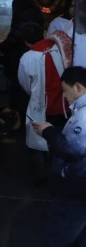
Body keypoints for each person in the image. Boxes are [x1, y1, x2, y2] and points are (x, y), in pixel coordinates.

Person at [32, 66, 86, 247]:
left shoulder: (84, 115)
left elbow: (73, 148)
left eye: (65, 90)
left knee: (58, 236)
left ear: (78, 87)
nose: (63, 95)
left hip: (76, 187)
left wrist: (47, 132)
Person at [18, 22, 68, 185]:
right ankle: (60, 176)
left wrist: (34, 95)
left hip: (41, 105)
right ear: (44, 33)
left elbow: (25, 83)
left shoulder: (27, 57)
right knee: (59, 141)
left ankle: (42, 178)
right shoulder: (61, 48)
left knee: (38, 143)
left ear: (25, 41)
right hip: (64, 104)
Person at [0, 0, 44, 123]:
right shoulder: (37, 14)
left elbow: (14, 37)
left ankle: (19, 115)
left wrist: (0, 46)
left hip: (19, 54)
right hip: (33, 52)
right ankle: (22, 114)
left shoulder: (23, 17)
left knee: (20, 86)